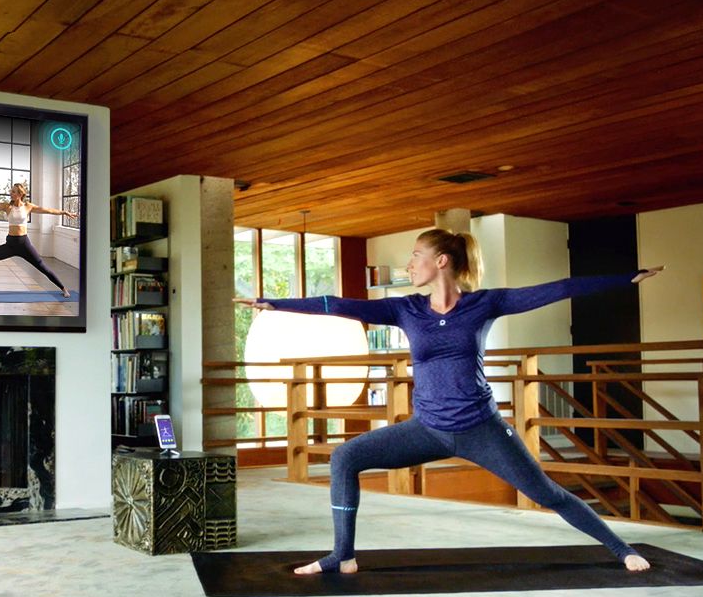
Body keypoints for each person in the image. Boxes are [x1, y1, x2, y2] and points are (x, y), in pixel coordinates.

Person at [236, 228, 664, 575]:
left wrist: (625, 277)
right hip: (427, 428)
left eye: (416, 254)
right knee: (345, 456)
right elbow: (338, 304)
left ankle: (620, 548)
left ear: (441, 261)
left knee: (548, 494)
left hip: (482, 429)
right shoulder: (406, 309)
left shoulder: (484, 303)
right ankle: (342, 555)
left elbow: (559, 288)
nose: (409, 263)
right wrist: (275, 303)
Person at [0, 183, 76, 298]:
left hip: (24, 244)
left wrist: (64, 212)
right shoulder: (7, 207)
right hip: (10, 244)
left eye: (13, 191)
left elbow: (47, 210)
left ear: (20, 194)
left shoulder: (28, 206)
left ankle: (63, 288)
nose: (11, 193)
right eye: (11, 191)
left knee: (42, 267)